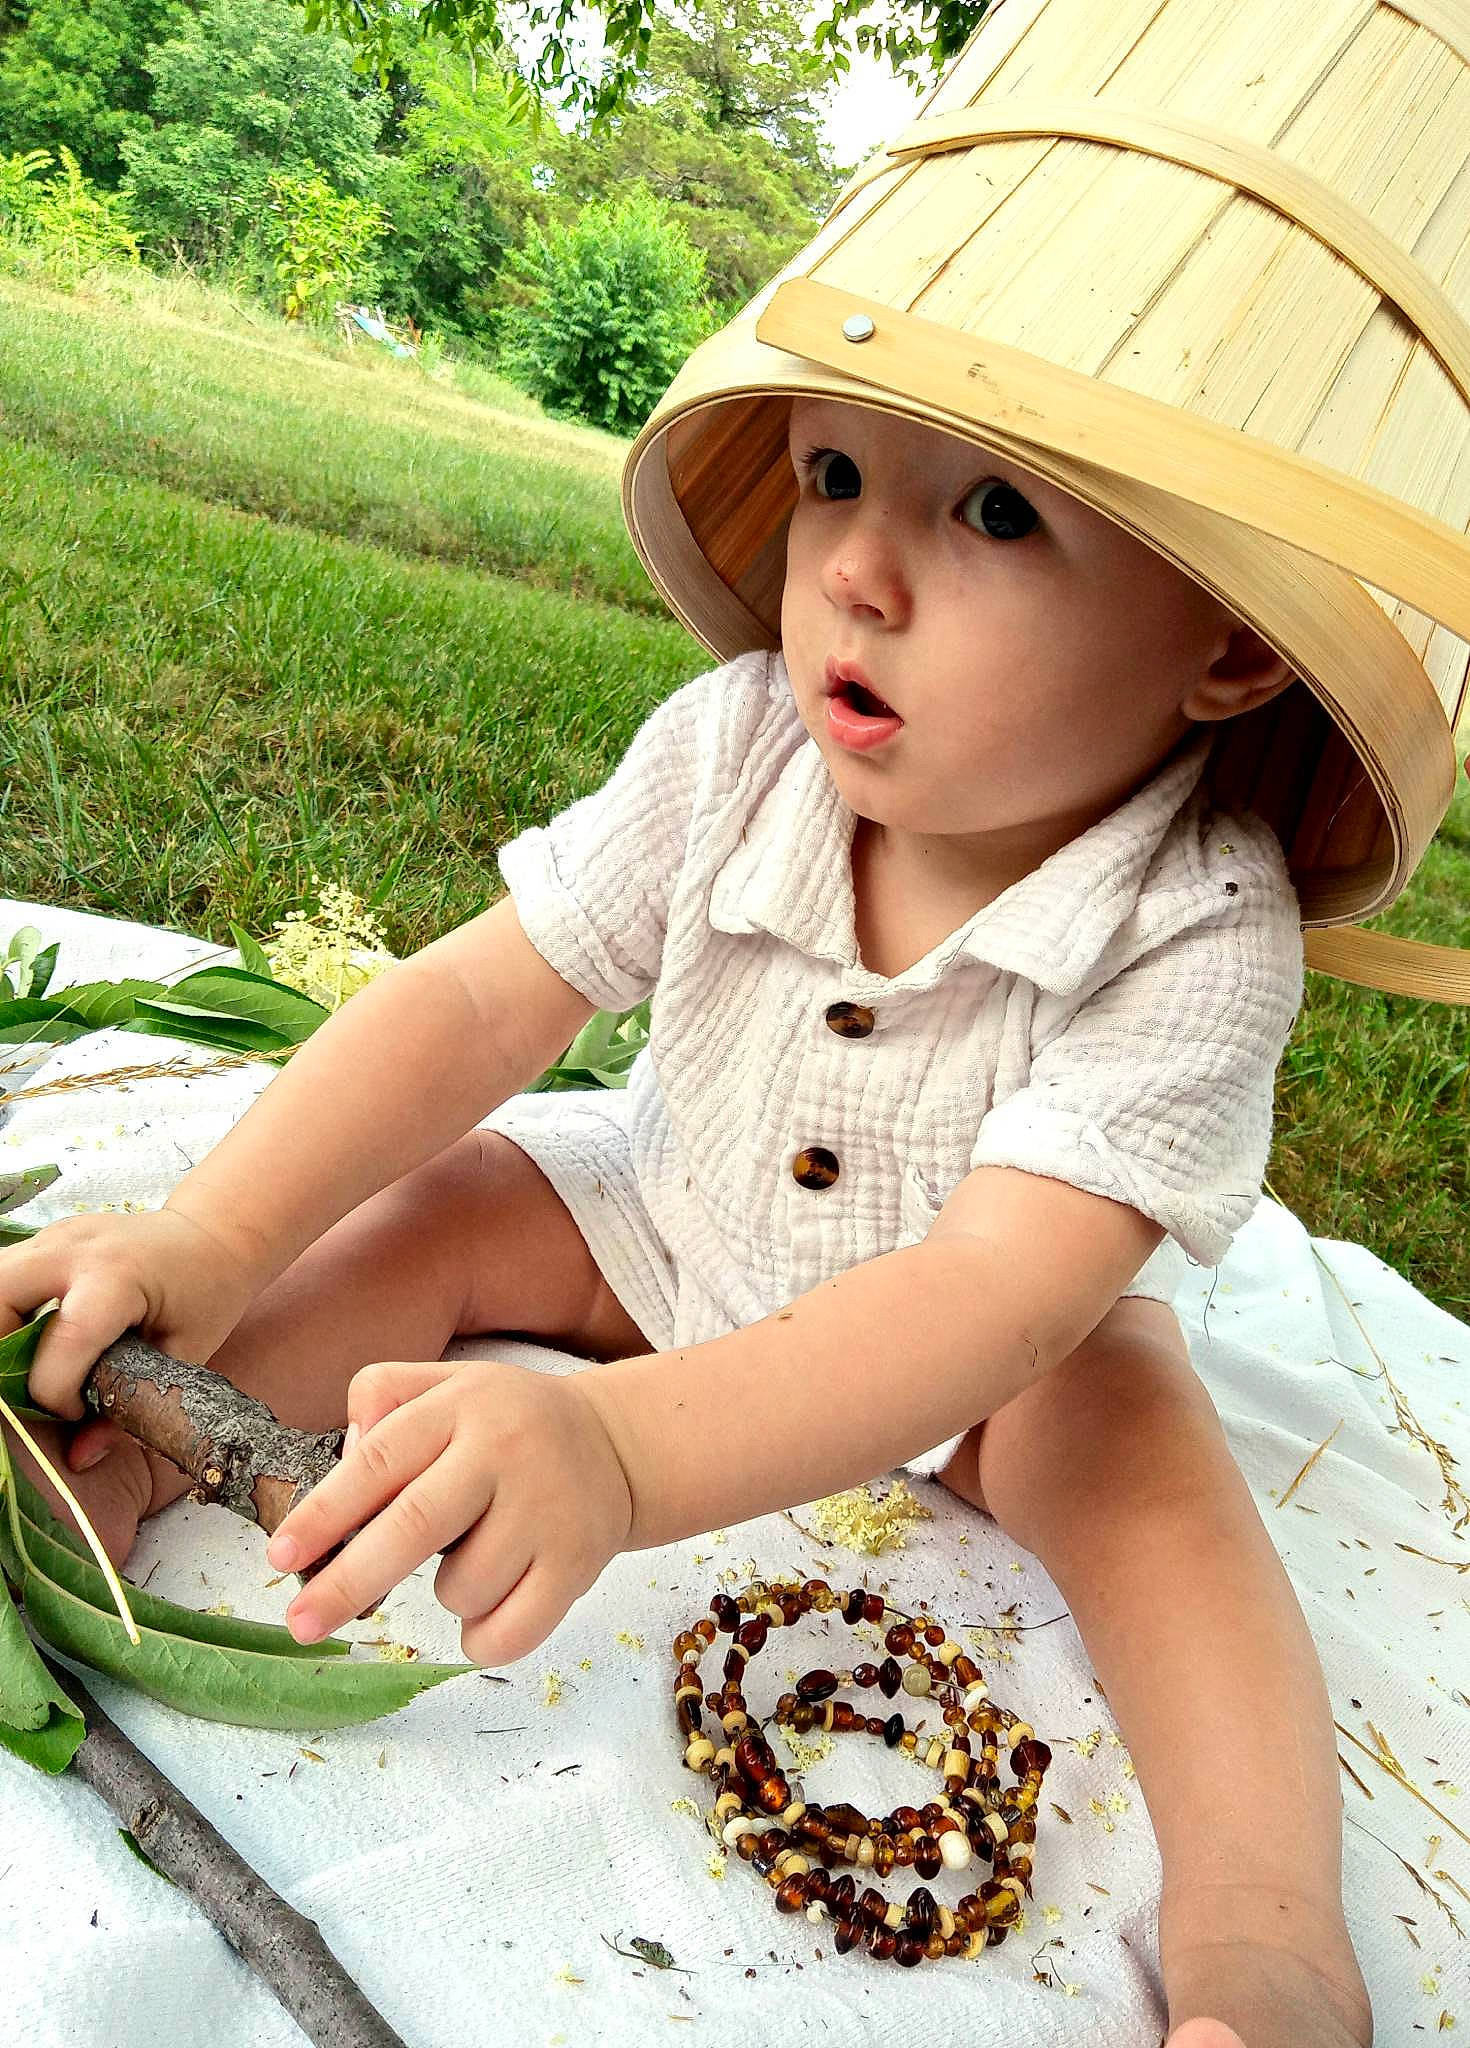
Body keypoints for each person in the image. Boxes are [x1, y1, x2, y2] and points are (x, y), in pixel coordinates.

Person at [0, 393, 1372, 2048]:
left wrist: (622, 1449)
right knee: (452, 1201)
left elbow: (999, 1288)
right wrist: (213, 1235)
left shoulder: (1197, 926)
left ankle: (1264, 1943)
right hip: (658, 1217)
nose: (855, 571)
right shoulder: (737, 746)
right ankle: (133, 1449)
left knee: (1155, 1489)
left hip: (990, 1369)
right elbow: (475, 1002)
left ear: (1225, 649)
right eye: (835, 478)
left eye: (998, 517)